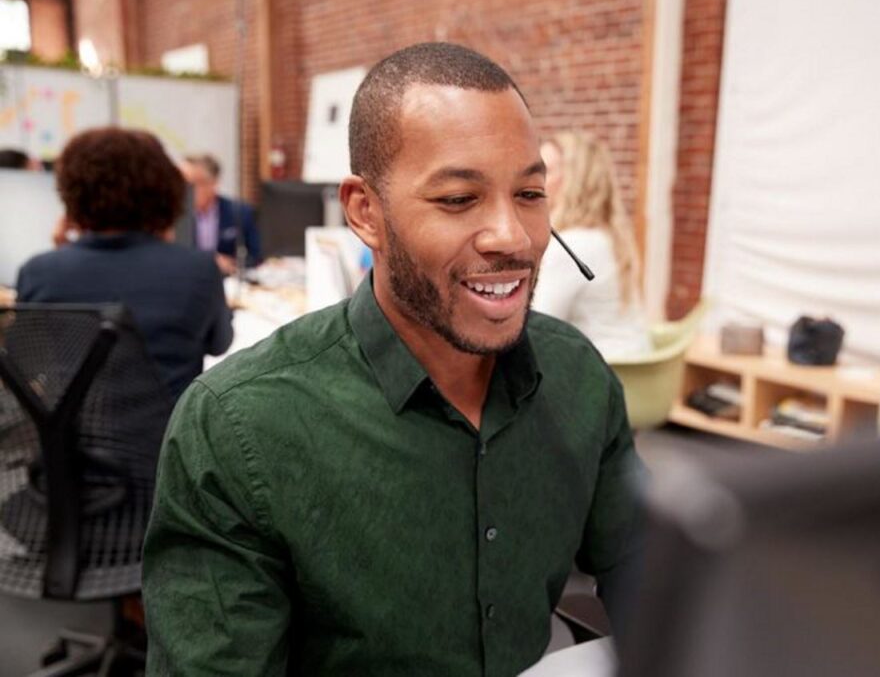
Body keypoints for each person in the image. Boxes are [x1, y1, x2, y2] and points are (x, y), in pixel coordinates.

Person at [142, 42, 646, 676]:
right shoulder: (240, 427)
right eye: (458, 199)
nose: (513, 236)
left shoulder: (576, 376)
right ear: (365, 212)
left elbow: (648, 573)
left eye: (529, 193)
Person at [16, 127, 233, 401]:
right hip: (169, 428)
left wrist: (62, 254)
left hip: (72, 428)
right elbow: (219, 344)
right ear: (165, 192)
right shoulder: (197, 270)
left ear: (71, 194)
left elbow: (29, 362)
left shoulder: (39, 273)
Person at [533, 131, 652, 357]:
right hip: (634, 364)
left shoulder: (573, 245)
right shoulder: (606, 237)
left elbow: (537, 329)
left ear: (574, 180)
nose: (534, 180)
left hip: (602, 370)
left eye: (544, 171)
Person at [181, 153, 263, 274]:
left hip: (227, 278)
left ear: (213, 183)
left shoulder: (239, 212)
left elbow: (257, 256)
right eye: (183, 184)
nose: (186, 190)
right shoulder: (177, 216)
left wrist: (231, 264)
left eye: (194, 184)